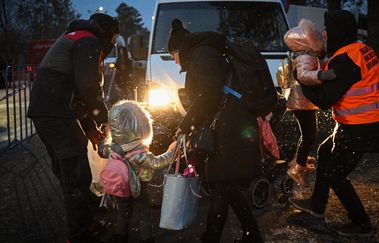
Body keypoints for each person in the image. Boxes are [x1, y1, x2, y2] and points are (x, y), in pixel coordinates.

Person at [288, 10, 379, 237]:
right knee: (325, 151)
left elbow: (324, 100)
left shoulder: (345, 60)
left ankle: (362, 224)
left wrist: (300, 77)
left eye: (326, 28)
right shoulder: (361, 49)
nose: (323, 33)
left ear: (337, 31)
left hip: (362, 127)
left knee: (335, 174)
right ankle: (317, 204)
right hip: (362, 122)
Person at [168, 19, 264, 243]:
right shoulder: (206, 52)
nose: (174, 62)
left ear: (178, 50)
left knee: (221, 184)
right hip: (230, 126)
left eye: (173, 56)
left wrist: (184, 126)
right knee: (226, 185)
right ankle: (252, 235)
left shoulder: (202, 55)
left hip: (229, 129)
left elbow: (209, 96)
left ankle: (212, 238)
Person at [27, 13, 119, 242]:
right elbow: (88, 88)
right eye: (115, 37)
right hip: (56, 113)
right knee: (76, 176)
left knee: (71, 172)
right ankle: (79, 234)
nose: (114, 43)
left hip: (49, 111)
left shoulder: (76, 37)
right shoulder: (89, 40)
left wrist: (90, 129)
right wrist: (106, 119)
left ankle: (85, 220)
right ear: (108, 33)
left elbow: (77, 93)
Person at [99, 100, 176, 243]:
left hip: (119, 187)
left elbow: (101, 150)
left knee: (123, 212)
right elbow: (157, 162)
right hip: (137, 187)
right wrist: (172, 152)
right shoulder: (137, 152)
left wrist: (104, 138)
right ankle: (146, 238)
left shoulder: (112, 146)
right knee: (144, 212)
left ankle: (120, 236)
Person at [281, 18, 336, 187]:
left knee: (309, 133)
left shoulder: (307, 55)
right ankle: (297, 167)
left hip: (304, 102)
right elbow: (304, 75)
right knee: (310, 134)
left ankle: (299, 161)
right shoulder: (304, 56)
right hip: (301, 102)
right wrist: (321, 76)